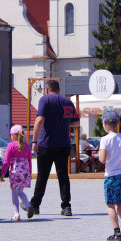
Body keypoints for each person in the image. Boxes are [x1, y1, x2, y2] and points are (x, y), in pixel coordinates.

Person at [30, 80, 80, 216]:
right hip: (63, 144)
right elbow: (76, 122)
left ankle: (35, 205)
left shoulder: (45, 100)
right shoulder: (67, 102)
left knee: (42, 175)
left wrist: (34, 141)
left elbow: (39, 120)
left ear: (46, 90)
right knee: (63, 175)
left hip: (46, 144)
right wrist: (62, 125)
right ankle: (66, 206)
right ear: (59, 89)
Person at [98, 111, 121, 241]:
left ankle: (117, 232)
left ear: (105, 123)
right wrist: (120, 162)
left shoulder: (105, 140)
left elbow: (102, 159)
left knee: (110, 204)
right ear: (118, 123)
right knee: (119, 202)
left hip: (111, 175)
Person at [0, 125, 34, 221]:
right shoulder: (26, 145)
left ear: (14, 136)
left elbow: (6, 161)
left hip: (15, 172)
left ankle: (17, 214)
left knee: (14, 193)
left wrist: (3, 173)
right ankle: (28, 205)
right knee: (21, 192)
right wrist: (30, 173)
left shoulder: (11, 145)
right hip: (25, 172)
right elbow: (29, 160)